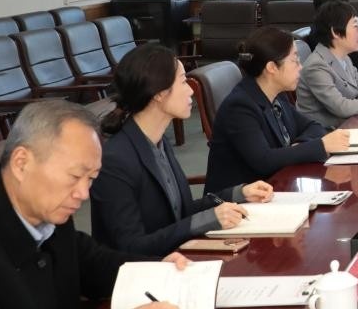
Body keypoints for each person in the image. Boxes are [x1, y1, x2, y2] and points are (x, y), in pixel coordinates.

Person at [0, 100, 190, 309]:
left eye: (91, 179)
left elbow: (88, 260)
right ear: (21, 163)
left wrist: (155, 270)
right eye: (75, 176)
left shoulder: (46, 204)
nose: (83, 194)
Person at [90, 44, 273, 257]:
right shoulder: (115, 160)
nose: (191, 91)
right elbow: (131, 247)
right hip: (142, 271)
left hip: (174, 260)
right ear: (159, 93)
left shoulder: (159, 142)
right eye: (184, 81)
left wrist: (239, 193)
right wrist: (207, 219)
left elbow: (179, 212)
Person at [205, 27, 350, 191]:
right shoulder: (240, 107)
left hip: (276, 185)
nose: (300, 67)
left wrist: (298, 147)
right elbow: (264, 161)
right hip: (240, 200)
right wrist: (321, 146)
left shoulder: (277, 95)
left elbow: (313, 126)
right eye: (295, 60)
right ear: (272, 67)